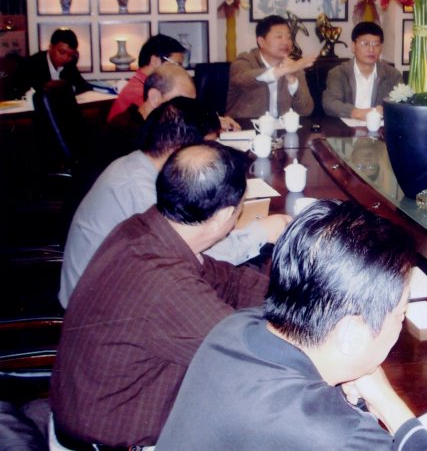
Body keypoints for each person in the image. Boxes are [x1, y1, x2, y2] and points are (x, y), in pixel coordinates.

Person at [157, 200, 427, 451]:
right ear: (351, 335)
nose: (401, 322)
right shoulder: (336, 434)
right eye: (400, 313)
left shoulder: (237, 327)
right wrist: (386, 402)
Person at [50, 141, 271, 449]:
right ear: (224, 217)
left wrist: (294, 294)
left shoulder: (143, 229)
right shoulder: (169, 286)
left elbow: (228, 280)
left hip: (92, 413)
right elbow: (254, 356)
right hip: (110, 445)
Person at [59, 97, 288, 307]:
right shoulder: (139, 189)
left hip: (120, 285)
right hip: (97, 306)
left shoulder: (139, 165)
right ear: (181, 151)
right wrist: (260, 233)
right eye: (209, 147)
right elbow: (193, 256)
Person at [226, 15, 315, 119]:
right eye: (279, 37)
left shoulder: (293, 67)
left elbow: (306, 110)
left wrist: (293, 81)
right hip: (244, 127)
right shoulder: (244, 61)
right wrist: (282, 71)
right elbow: (245, 78)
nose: (286, 42)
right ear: (261, 42)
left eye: (289, 37)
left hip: (281, 128)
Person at [322, 21, 402, 119]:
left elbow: (401, 105)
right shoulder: (338, 73)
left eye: (376, 44)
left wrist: (386, 111)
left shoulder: (393, 75)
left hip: (380, 127)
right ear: (353, 46)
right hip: (346, 127)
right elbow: (330, 103)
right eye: (365, 44)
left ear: (381, 48)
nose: (371, 49)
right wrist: (355, 112)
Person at [107, 33, 187, 121]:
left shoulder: (148, 85)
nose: (181, 70)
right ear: (154, 61)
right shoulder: (138, 93)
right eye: (177, 64)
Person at [12, 28, 91, 97]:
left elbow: (84, 86)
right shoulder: (31, 64)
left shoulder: (70, 64)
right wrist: (44, 87)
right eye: (62, 52)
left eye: (71, 55)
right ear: (51, 47)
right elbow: (18, 91)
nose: (66, 58)